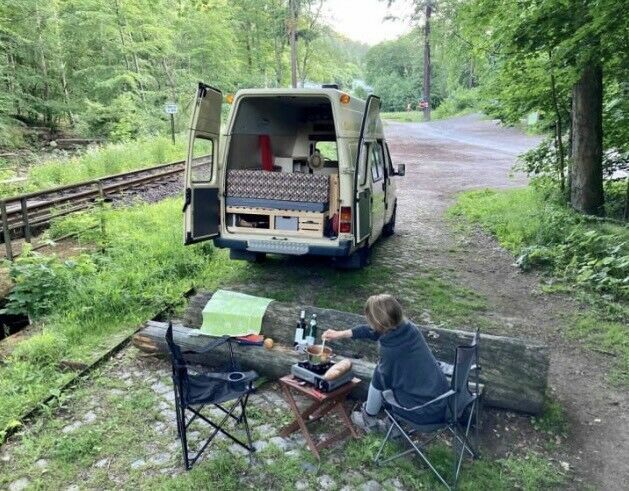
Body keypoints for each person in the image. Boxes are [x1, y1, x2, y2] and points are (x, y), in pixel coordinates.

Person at [322, 294, 449, 432]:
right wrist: (340, 334)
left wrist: (380, 374)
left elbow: (380, 383)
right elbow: (373, 331)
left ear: (379, 325)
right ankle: (393, 425)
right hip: (442, 400)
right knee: (386, 372)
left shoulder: (390, 351)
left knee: (379, 376)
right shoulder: (408, 328)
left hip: (422, 412)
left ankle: (368, 419)